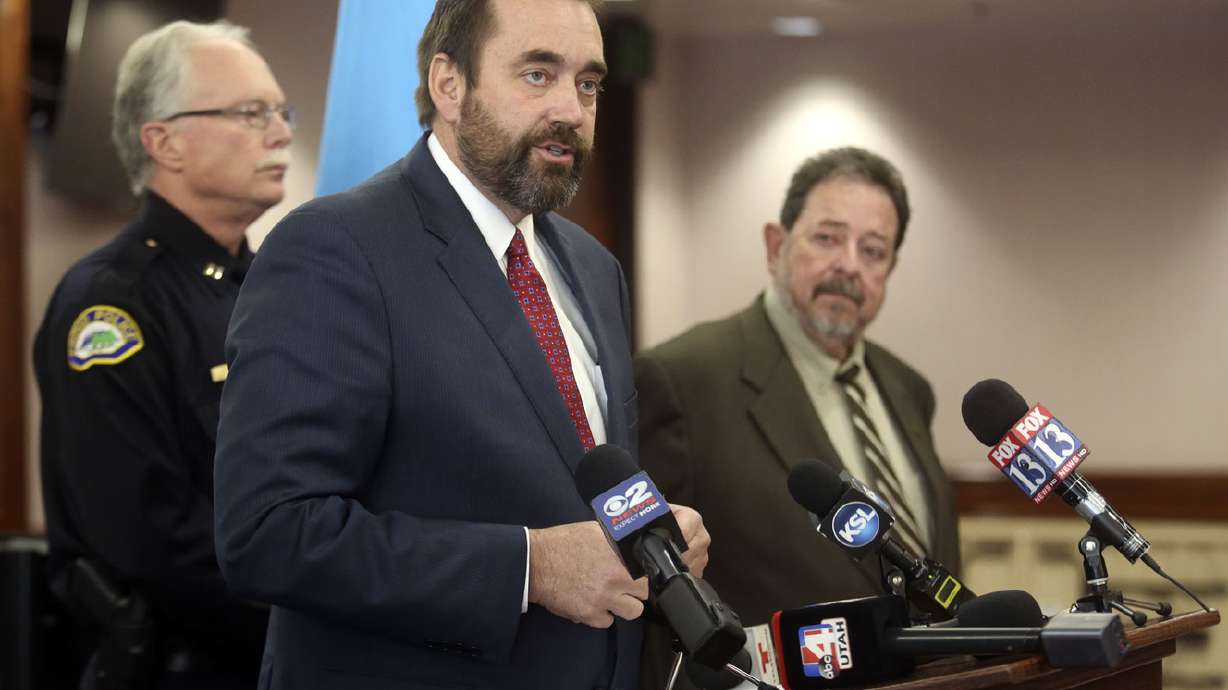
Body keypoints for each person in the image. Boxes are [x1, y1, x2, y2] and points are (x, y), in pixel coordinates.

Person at [211, 1, 709, 689]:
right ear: (450, 85)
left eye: (588, 84)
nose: (570, 108)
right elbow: (269, 534)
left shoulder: (594, 270)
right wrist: (530, 568)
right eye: (538, 74)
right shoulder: (335, 249)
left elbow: (575, 477)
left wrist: (652, 538)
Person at [635, 147, 962, 687]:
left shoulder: (909, 389)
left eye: (873, 250)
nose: (849, 265)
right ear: (776, 245)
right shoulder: (681, 380)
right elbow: (649, 598)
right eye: (827, 238)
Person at [33, 19, 292, 689]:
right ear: (165, 143)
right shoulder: (112, 306)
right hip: (184, 663)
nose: (281, 131)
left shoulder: (274, 289)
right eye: (250, 112)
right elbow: (147, 537)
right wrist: (317, 613)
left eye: (279, 111)